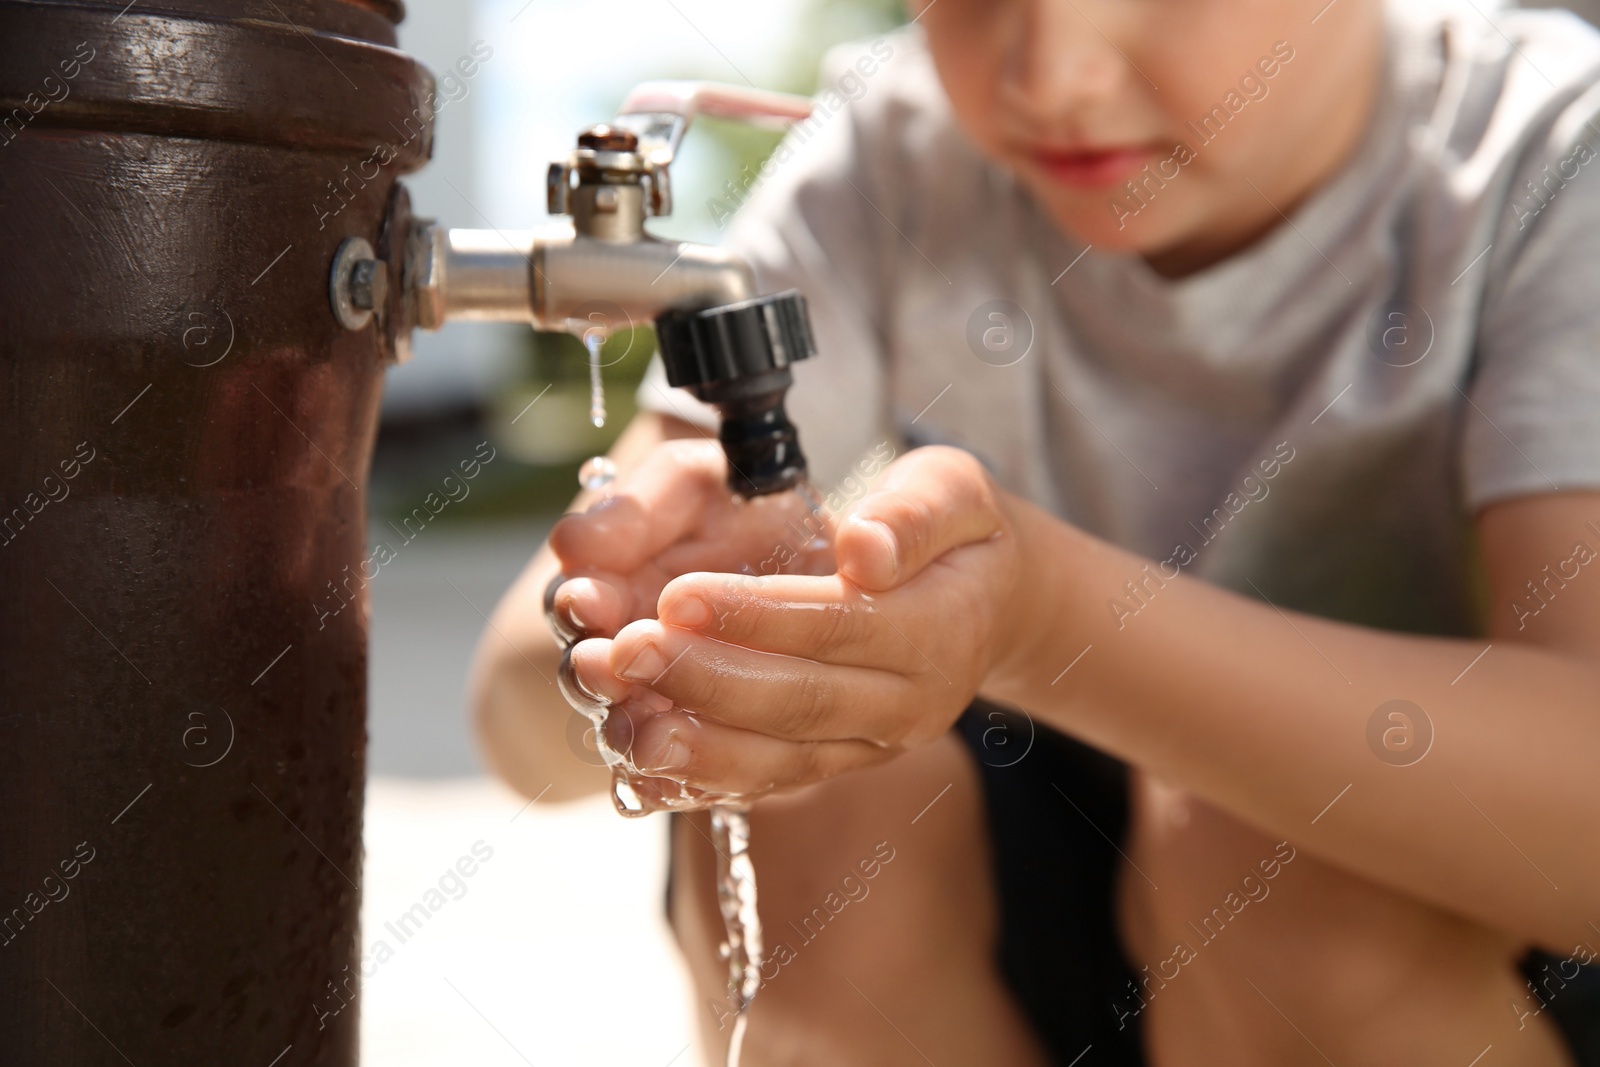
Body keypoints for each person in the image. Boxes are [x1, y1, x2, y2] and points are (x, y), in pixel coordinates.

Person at [470, 0, 1600, 1062]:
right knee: (818, 806)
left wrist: (1044, 621)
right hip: (1019, 958)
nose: (1049, 76)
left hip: (1471, 955)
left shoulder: (1549, 149)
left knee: (1261, 847)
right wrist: (663, 634)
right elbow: (516, 709)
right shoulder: (895, 154)